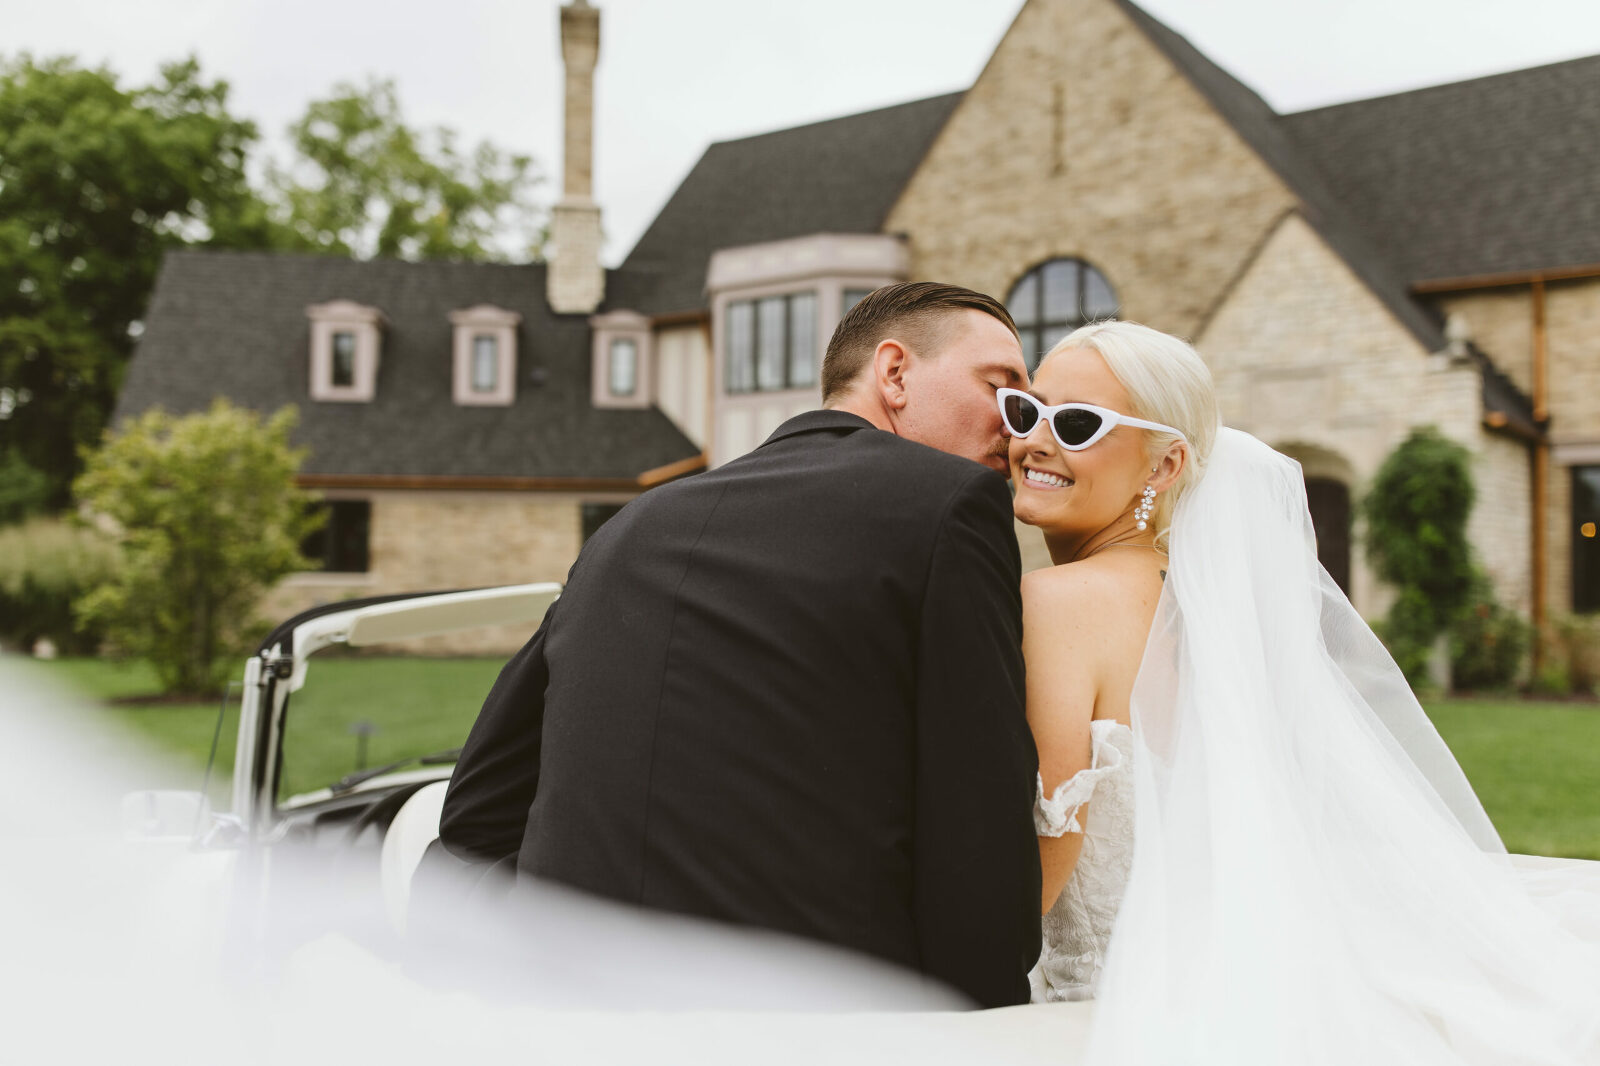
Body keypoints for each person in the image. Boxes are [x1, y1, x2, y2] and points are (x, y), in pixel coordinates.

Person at [434, 282, 1042, 1008]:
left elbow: (475, 816)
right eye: (1001, 387)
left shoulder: (632, 526)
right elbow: (977, 828)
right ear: (894, 373)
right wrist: (982, 1027)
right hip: (818, 1019)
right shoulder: (951, 504)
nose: (1021, 425)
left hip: (566, 1012)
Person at [1006, 320, 1600, 1061]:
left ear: (1165, 465)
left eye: (1077, 424)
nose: (1034, 441)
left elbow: (1034, 879)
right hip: (1254, 978)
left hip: (1114, 1008)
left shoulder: (1054, 602)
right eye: (1025, 412)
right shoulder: (1219, 610)